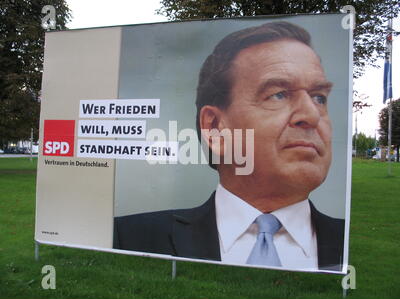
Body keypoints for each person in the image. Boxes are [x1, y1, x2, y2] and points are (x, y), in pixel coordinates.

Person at [113, 21, 345, 272]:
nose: (311, 115)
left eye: (319, 97)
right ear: (214, 128)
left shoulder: (346, 242)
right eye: (278, 94)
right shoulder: (129, 238)